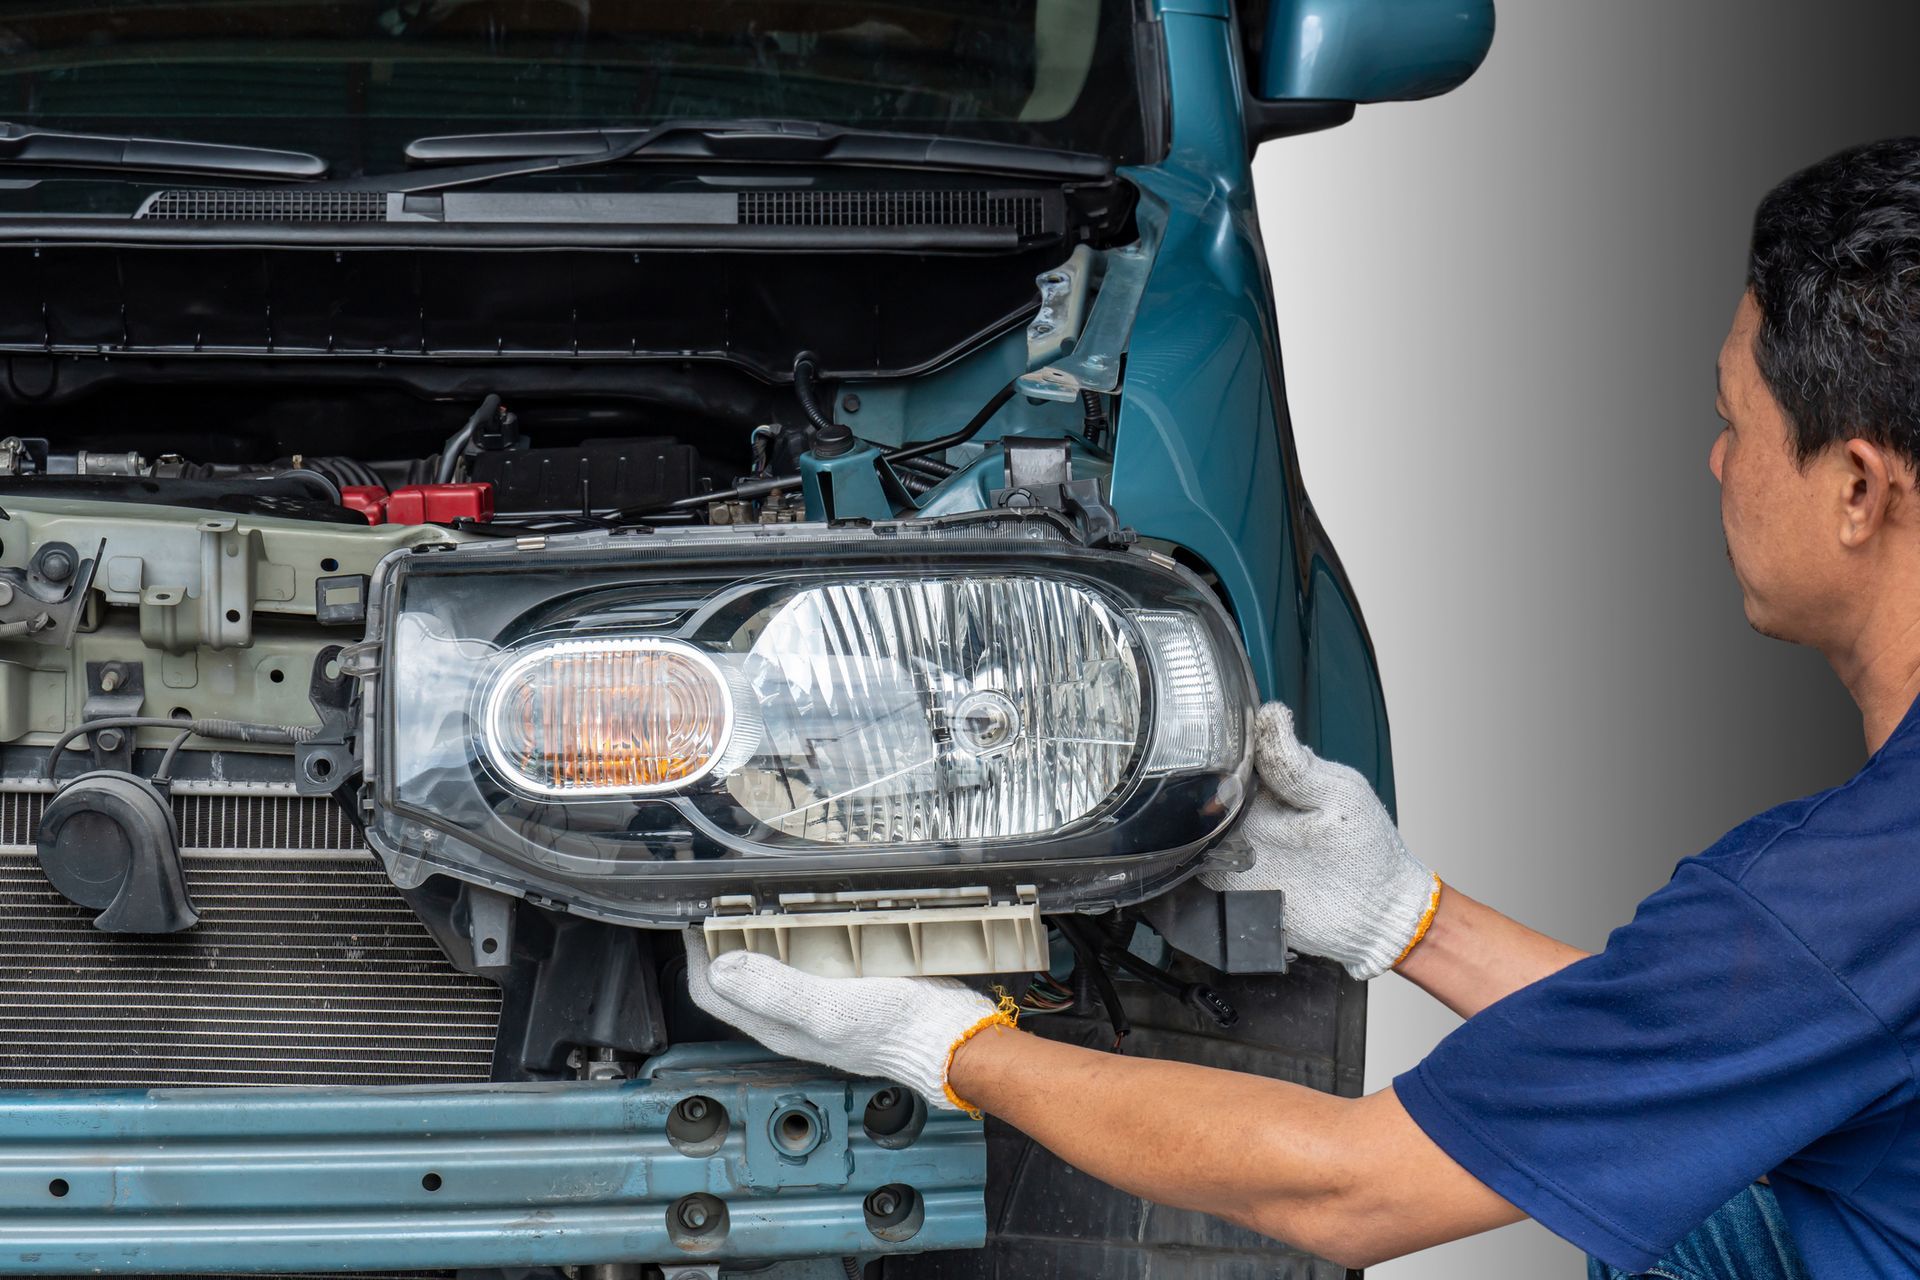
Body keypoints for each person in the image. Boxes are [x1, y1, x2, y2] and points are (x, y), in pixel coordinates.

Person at [686, 137, 1920, 1278]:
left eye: (1733, 421)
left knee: (1669, 1207)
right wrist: (1405, 916)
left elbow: (1352, 1187)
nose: (1716, 460)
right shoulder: (1860, 905)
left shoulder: (1848, 896)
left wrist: (950, 1045)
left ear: (1857, 487)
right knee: (1670, 1167)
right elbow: (1710, 1042)